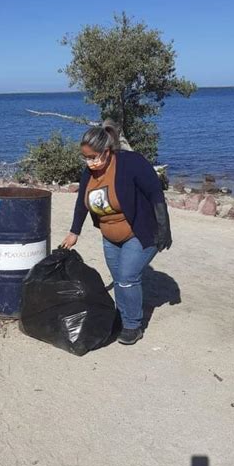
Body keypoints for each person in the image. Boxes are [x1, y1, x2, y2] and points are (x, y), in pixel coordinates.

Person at [61, 124, 172, 345]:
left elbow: (155, 194)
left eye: (93, 157)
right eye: (85, 158)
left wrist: (163, 229)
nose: (90, 162)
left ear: (107, 151)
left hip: (140, 232)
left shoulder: (131, 163)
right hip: (110, 236)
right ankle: (123, 317)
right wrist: (74, 232)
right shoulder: (89, 173)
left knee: (127, 278)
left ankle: (133, 326)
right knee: (120, 280)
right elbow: (81, 203)